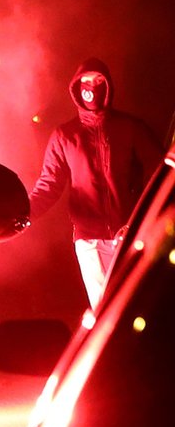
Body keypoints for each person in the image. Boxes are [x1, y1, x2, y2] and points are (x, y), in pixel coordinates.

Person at [28, 58, 163, 310]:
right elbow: (49, 185)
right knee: (104, 310)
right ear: (77, 87)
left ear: (107, 86)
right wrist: (24, 214)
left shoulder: (129, 128)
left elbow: (159, 169)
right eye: (86, 81)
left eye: (98, 81)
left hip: (129, 232)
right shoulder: (65, 136)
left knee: (134, 306)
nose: (92, 86)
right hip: (89, 240)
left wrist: (144, 214)